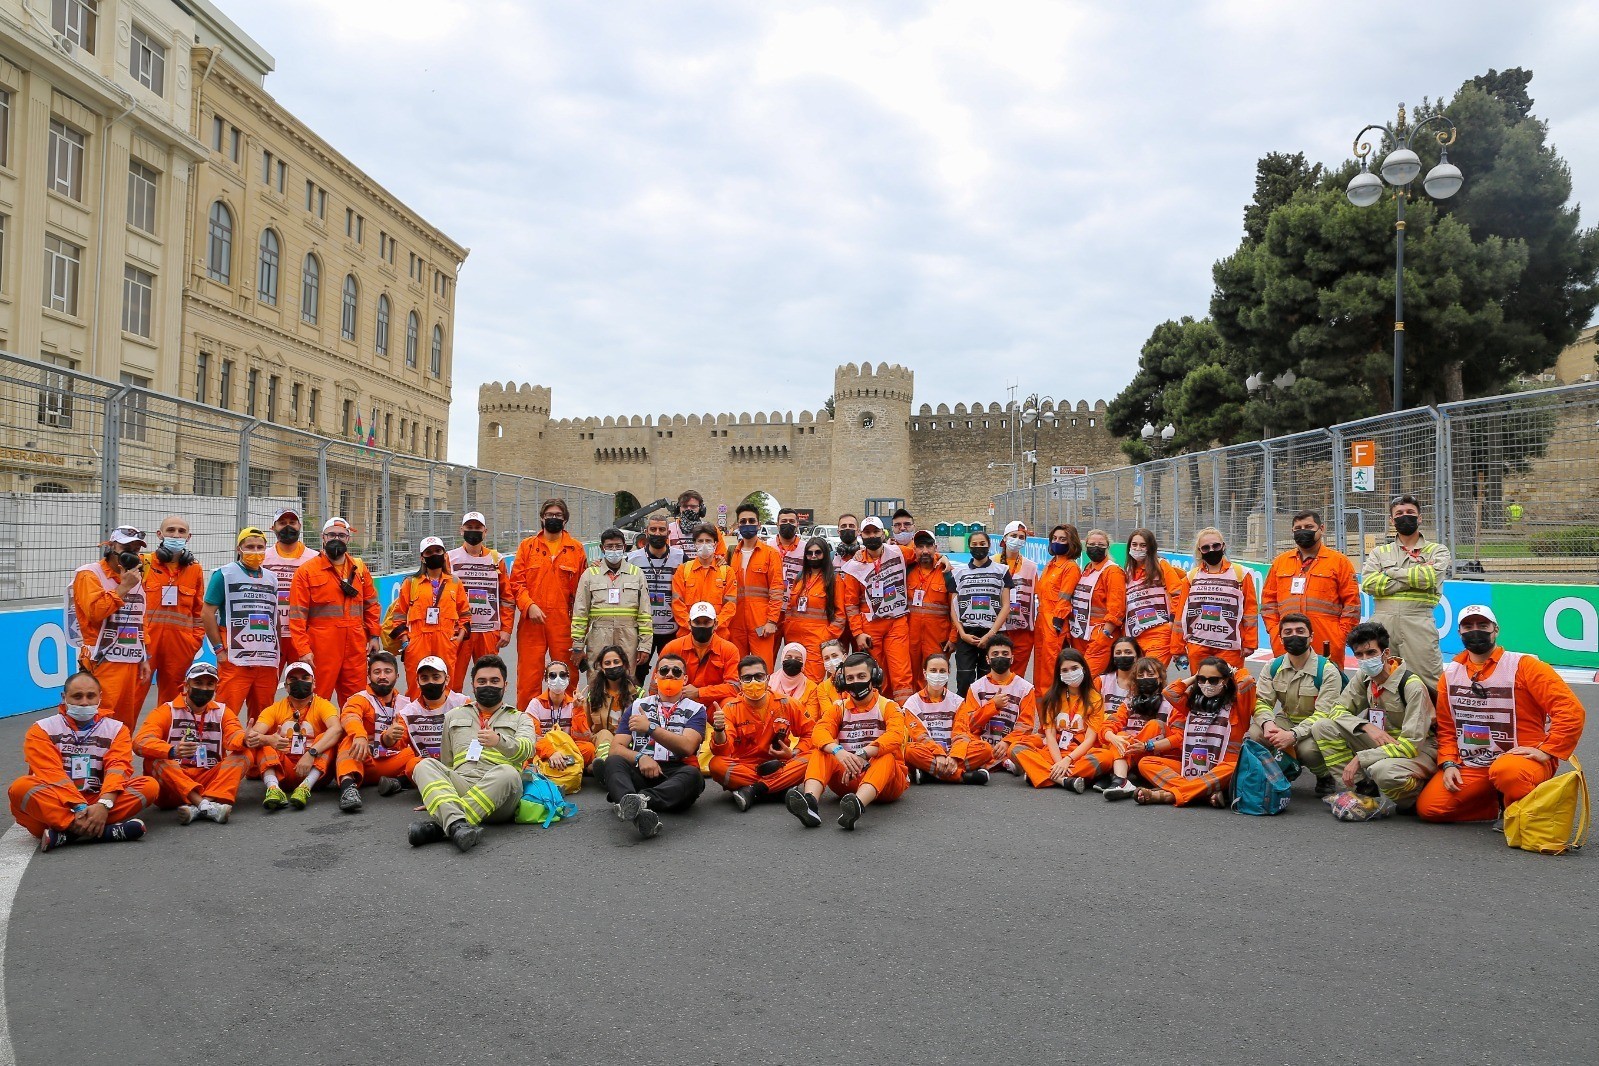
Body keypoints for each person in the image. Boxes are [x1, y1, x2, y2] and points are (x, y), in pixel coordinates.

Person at [1417, 605, 1586, 823]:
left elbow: (1570, 710)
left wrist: (1548, 750)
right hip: (1475, 762)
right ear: (1459, 633)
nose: (1475, 631)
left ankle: (1521, 809)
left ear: (1495, 629)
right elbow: (1448, 728)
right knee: (1430, 808)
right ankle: (1495, 802)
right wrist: (1449, 762)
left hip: (1523, 760)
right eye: (1468, 626)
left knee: (1507, 772)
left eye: (1483, 625)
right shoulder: (1450, 675)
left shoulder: (1525, 666)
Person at [8, 671, 155, 851]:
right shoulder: (42, 729)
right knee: (21, 788)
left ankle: (68, 834)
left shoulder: (116, 729)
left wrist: (104, 803)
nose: (84, 702)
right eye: (77, 696)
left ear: (100, 697)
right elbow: (51, 773)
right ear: (64, 697)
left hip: (97, 800)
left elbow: (118, 768)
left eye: (90, 696)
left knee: (149, 786)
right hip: (56, 803)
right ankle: (106, 832)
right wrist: (79, 807)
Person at [408, 655, 535, 852]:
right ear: (473, 685)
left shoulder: (520, 718)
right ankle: (457, 825)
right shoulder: (453, 716)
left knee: (508, 772)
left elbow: (527, 749)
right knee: (424, 765)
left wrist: (499, 742)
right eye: (482, 681)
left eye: (494, 681)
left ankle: (444, 823)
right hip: (463, 784)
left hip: (500, 797)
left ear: (505, 685)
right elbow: (447, 762)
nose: (488, 686)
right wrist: (440, 795)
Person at [1309, 621, 1437, 808]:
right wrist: (1365, 726)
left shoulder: (1411, 686)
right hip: (1383, 741)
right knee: (1322, 727)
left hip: (1418, 748)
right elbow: (1336, 710)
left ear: (1385, 654)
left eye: (1371, 653)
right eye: (1359, 654)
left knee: (1383, 772)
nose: (1365, 659)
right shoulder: (1364, 677)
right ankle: (1363, 787)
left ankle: (1413, 797)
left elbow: (1411, 745)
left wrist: (1361, 758)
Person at [786, 651, 909, 829]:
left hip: (887, 783)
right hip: (847, 778)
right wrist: (839, 752)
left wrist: (863, 754)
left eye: (861, 676)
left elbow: (895, 736)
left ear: (874, 677)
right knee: (823, 750)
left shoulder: (888, 706)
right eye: (850, 678)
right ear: (843, 681)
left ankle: (857, 805)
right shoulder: (839, 708)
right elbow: (819, 732)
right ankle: (810, 802)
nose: (855, 682)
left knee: (886, 755)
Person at [602, 653, 708, 838]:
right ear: (656, 676)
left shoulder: (696, 709)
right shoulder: (638, 705)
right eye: (664, 670)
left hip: (674, 772)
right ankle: (635, 806)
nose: (669, 675)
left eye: (676, 672)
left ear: (685, 679)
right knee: (613, 762)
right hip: (641, 766)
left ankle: (637, 800)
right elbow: (616, 747)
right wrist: (640, 757)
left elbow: (687, 747)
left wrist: (651, 727)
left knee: (693, 777)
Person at [133, 661, 247, 824]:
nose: (204, 688)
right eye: (198, 683)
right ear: (186, 686)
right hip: (173, 786)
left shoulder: (222, 712)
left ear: (216, 687)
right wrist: (172, 750)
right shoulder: (166, 711)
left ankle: (201, 806)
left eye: (210, 684)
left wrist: (245, 738)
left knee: (244, 752)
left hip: (208, 781)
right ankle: (205, 804)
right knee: (155, 758)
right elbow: (140, 742)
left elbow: (234, 734)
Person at [1134, 659, 1256, 807]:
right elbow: (1170, 692)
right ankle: (1200, 793)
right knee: (1146, 763)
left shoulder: (1238, 707)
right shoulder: (1193, 705)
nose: (1207, 684)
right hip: (1192, 766)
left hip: (1222, 769)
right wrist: (1194, 678)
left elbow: (1247, 682)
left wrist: (1234, 671)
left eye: (1213, 680)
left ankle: (1169, 795)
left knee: (1233, 767)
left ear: (1225, 681)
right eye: (1202, 679)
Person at [287, 517, 380, 705]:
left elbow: (371, 604)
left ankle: (353, 734)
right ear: (323, 537)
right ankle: (318, 735)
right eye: (331, 535)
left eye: (341, 535)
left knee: (357, 700)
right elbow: (297, 616)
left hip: (355, 644)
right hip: (321, 646)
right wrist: (304, 650)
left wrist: (374, 636)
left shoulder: (359, 569)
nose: (336, 538)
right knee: (317, 699)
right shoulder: (306, 572)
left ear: (348, 539)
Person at [1361, 495, 1450, 688]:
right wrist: (1413, 578)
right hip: (1382, 624)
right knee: (1380, 678)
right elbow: (1369, 583)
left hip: (1418, 621)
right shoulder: (1379, 552)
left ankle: (1434, 718)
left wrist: (1390, 572)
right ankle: (1385, 718)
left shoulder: (1437, 550)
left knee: (1428, 679)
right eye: (1399, 514)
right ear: (1391, 520)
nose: (1405, 516)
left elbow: (1429, 578)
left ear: (1420, 518)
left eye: (1410, 512)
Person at [1251, 612, 1345, 795]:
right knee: (1256, 733)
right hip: (1286, 719)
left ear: (1311, 636)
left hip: (1317, 726)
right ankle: (1275, 770)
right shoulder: (1273, 666)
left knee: (1307, 749)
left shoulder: (1327, 670)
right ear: (1281, 638)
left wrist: (1293, 735)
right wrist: (1268, 724)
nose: (1294, 635)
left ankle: (1324, 775)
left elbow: (1324, 714)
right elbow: (1262, 701)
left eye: (1300, 631)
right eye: (1288, 632)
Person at [69, 525, 150, 731]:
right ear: (112, 546)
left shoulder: (137, 577)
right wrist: (122, 587)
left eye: (135, 549)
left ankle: (120, 760)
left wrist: (144, 655)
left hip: (130, 658)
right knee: (101, 718)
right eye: (126, 547)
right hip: (102, 659)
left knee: (125, 722)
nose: (132, 554)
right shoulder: (89, 574)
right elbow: (95, 612)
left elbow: (139, 617)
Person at [510, 497, 589, 709]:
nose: (553, 519)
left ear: (565, 520)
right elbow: (516, 583)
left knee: (567, 676)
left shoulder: (576, 549)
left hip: (564, 622)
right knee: (528, 677)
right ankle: (527, 724)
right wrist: (529, 606)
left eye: (558, 516)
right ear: (542, 518)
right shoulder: (527, 547)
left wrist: (581, 630)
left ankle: (570, 719)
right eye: (549, 515)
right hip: (531, 621)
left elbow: (583, 591)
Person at [709, 655, 811, 810]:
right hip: (746, 767)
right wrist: (719, 729)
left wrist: (793, 753)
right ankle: (779, 789)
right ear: (740, 681)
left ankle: (754, 790)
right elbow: (722, 751)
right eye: (747, 678)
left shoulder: (787, 703)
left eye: (759, 676)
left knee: (813, 757)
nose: (754, 682)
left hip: (781, 764)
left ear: (768, 678)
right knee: (716, 765)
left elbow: (811, 733)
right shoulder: (730, 708)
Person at [1262, 509, 1360, 667]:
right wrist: (1275, 631)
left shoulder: (1339, 562)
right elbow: (1268, 602)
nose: (1303, 531)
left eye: (1308, 526)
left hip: (1327, 640)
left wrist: (1340, 635)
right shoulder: (1280, 562)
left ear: (1321, 529)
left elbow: (1352, 603)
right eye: (1298, 528)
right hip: (1287, 640)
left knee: (1327, 686)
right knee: (1286, 687)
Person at [204, 527, 281, 726]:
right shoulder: (224, 574)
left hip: (265, 659)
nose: (255, 552)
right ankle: (218, 754)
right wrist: (218, 649)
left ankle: (261, 756)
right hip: (235, 658)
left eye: (260, 547)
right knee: (225, 714)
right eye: (250, 547)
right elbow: (207, 612)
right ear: (239, 548)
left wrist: (277, 652)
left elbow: (274, 617)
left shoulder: (272, 578)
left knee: (264, 717)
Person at [839, 516, 918, 702]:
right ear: (861, 535)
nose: (872, 536)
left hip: (896, 621)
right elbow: (851, 604)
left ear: (883, 533)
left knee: (901, 671)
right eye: (868, 532)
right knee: (876, 671)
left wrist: (942, 558)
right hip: (870, 624)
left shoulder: (898, 552)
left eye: (876, 532)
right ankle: (879, 712)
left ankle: (903, 715)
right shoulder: (854, 566)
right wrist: (858, 632)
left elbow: (923, 555)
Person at [245, 660, 341, 811]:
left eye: (305, 678)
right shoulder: (274, 709)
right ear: (286, 685)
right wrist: (268, 739)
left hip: (316, 770)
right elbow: (253, 735)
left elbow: (336, 730)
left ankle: (305, 787)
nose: (300, 682)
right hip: (283, 771)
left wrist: (311, 753)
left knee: (328, 737)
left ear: (313, 683)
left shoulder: (323, 705)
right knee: (263, 743)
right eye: (293, 679)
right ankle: (273, 788)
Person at [1011, 647, 1107, 791]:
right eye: (1065, 670)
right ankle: (1063, 780)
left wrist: (1068, 760)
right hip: (1055, 750)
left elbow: (1089, 739)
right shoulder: (1052, 697)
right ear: (1059, 674)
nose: (1070, 673)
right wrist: (1060, 762)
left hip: (1079, 753)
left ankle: (1039, 773)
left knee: (1105, 757)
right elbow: (1049, 735)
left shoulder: (1095, 699)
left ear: (1084, 669)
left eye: (1074, 668)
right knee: (1015, 749)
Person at [333, 651, 417, 813]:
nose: (382, 676)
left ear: (397, 675)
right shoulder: (360, 698)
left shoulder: (406, 704)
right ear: (369, 676)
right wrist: (359, 735)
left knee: (420, 752)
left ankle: (397, 783)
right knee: (348, 741)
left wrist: (393, 738)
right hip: (363, 759)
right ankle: (348, 788)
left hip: (391, 762)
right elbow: (350, 716)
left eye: (387, 671)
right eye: (377, 672)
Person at [386, 538, 470, 696]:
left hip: (446, 641)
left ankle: (446, 719)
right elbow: (398, 615)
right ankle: (415, 719)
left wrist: (459, 638)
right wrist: (406, 643)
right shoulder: (411, 583)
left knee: (446, 686)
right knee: (416, 687)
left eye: (438, 551)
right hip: (417, 641)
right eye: (429, 552)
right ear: (422, 557)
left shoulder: (455, 582)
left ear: (444, 555)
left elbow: (465, 614)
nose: (434, 555)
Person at [663, 601, 741, 766]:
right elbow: (658, 684)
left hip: (713, 706)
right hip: (681, 704)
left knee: (730, 704)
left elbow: (734, 687)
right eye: (697, 622)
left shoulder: (729, 649)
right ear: (689, 623)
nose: (702, 626)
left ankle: (724, 748)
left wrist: (699, 692)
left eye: (707, 622)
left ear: (716, 624)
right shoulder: (673, 647)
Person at [141, 514, 206, 706]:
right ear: (159, 534)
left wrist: (194, 641)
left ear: (189, 536)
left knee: (172, 702)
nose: (176, 535)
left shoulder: (195, 569)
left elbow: (198, 610)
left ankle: (166, 736)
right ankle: (125, 736)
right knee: (134, 693)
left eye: (181, 531)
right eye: (171, 530)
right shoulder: (144, 563)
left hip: (180, 645)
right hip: (146, 642)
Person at [448, 511, 515, 693]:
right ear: (461, 530)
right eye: (469, 527)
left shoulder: (496, 559)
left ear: (485, 531)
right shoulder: (449, 558)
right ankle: (455, 719)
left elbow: (507, 598)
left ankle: (489, 718)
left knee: (490, 680)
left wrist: (506, 630)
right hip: (460, 630)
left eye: (478, 528)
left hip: (488, 631)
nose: (473, 531)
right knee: (452, 682)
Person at [571, 527, 652, 675]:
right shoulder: (590, 575)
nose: (614, 550)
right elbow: (580, 612)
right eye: (609, 546)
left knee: (626, 681)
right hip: (599, 636)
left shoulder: (636, 574)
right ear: (602, 548)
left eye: (618, 546)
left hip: (628, 637)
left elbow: (645, 613)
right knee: (597, 680)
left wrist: (645, 646)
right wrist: (577, 645)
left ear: (624, 547)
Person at [1179, 527, 1258, 673]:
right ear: (1199, 551)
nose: (1211, 550)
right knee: (1200, 687)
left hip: (1230, 647)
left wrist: (1250, 642)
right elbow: (1181, 615)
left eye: (1216, 546)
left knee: (1229, 688)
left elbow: (1250, 611)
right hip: (1197, 645)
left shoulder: (1241, 574)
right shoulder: (1191, 577)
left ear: (1223, 546)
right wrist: (1177, 647)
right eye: (1205, 547)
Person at [1097, 656, 1176, 800]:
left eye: (1150, 675)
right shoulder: (1129, 702)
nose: (1145, 678)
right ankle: (1121, 780)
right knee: (1119, 735)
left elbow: (1178, 739)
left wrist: (1146, 745)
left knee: (1155, 724)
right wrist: (1112, 737)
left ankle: (1116, 776)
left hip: (1155, 753)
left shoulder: (1171, 704)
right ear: (1135, 680)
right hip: (1129, 753)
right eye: (1141, 675)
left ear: (1160, 678)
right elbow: (1108, 725)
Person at [903, 653, 989, 784]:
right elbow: (919, 736)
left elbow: (961, 733)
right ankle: (961, 777)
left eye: (942, 671)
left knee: (985, 749)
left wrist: (954, 756)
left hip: (953, 751)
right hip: (929, 752)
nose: (937, 674)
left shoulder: (957, 701)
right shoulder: (912, 703)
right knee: (910, 751)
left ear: (948, 673)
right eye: (933, 670)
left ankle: (931, 775)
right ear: (925, 673)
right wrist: (938, 754)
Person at [946, 530, 1013, 696]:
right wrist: (961, 634)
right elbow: (954, 607)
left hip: (992, 633)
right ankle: (966, 718)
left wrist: (991, 634)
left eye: (982, 544)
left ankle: (988, 716)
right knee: (964, 679)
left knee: (988, 680)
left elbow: (1006, 606)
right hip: (967, 634)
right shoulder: (958, 573)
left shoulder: (1002, 570)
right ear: (969, 546)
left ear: (989, 545)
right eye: (974, 544)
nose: (978, 547)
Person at [956, 635, 1035, 774]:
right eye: (995, 654)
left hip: (1011, 743)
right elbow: (970, 723)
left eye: (1005, 654)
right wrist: (993, 706)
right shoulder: (976, 688)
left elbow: (1026, 726)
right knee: (964, 739)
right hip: (982, 743)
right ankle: (1003, 762)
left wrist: (1007, 742)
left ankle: (993, 761)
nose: (1000, 657)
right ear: (987, 659)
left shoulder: (1026, 688)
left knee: (1033, 742)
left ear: (1011, 658)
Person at [628, 512, 685, 684]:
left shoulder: (681, 557)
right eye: (653, 529)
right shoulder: (632, 558)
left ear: (669, 533)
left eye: (662, 529)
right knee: (635, 675)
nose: (658, 533)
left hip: (671, 628)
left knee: (671, 674)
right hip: (643, 628)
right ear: (646, 532)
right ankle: (635, 708)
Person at [1120, 528, 1188, 668]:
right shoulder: (1127, 572)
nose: (1138, 548)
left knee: (1151, 676)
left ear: (1150, 547)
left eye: (1143, 545)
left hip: (1159, 632)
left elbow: (1178, 595)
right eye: (1134, 545)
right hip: (1135, 635)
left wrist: (1171, 621)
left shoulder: (1161, 565)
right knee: (1137, 680)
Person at [727, 503, 785, 668]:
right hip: (736, 621)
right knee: (736, 667)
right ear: (738, 525)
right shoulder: (732, 554)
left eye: (751, 521)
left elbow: (776, 590)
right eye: (743, 521)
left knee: (763, 667)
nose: (747, 524)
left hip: (761, 622)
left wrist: (772, 621)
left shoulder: (770, 554)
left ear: (759, 525)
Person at [525, 657, 596, 784]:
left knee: (589, 748)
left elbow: (584, 738)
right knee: (527, 752)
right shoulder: (535, 704)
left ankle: (552, 768)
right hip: (544, 749)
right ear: (546, 679)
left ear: (568, 679)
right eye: (552, 675)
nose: (558, 679)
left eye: (562, 675)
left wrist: (578, 710)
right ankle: (570, 766)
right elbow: (532, 737)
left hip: (567, 747)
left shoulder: (574, 704)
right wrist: (551, 752)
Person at [783, 537, 844, 681]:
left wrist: (827, 637)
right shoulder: (800, 578)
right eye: (809, 553)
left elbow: (840, 614)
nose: (813, 556)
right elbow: (791, 608)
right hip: (794, 639)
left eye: (818, 552)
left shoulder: (834, 580)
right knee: (793, 680)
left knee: (812, 681)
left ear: (825, 554)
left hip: (817, 639)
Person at [1068, 528, 1126, 676]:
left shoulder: (1112, 572)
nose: (1096, 548)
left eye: (1101, 545)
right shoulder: (1087, 569)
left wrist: (1105, 633)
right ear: (1086, 546)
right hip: (1080, 635)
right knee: (1078, 681)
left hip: (1100, 637)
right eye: (1092, 544)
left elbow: (1117, 608)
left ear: (1107, 547)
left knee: (1088, 680)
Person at [1032, 524, 1082, 690]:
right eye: (1054, 538)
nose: (1057, 541)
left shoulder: (1070, 567)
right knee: (1039, 667)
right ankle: (1040, 709)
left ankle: (1050, 710)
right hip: (1041, 619)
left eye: (1062, 539)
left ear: (1071, 542)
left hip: (1055, 622)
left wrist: (1057, 622)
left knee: (1049, 668)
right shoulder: (1051, 564)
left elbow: (1065, 598)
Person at [263, 507, 318, 654]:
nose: (288, 527)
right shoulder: (262, 557)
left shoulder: (315, 558)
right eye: (282, 523)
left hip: (303, 634)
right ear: (273, 527)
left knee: (302, 676)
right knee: (270, 677)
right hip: (270, 633)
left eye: (292, 522)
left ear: (300, 526)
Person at [399, 656, 470, 764]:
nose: (430, 682)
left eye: (436, 677)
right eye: (424, 678)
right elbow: (396, 743)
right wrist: (388, 737)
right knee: (412, 765)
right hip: (428, 767)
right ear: (417, 682)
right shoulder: (408, 713)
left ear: (446, 680)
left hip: (460, 764)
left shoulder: (462, 703)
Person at [672, 523, 737, 639]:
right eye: (700, 541)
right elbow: (677, 603)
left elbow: (730, 606)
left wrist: (715, 625)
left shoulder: (726, 572)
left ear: (715, 543)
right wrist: (691, 625)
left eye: (708, 541)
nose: (704, 545)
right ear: (695, 544)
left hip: (718, 635)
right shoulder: (683, 570)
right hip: (688, 634)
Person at [906, 530, 954, 679]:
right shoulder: (907, 570)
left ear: (936, 548)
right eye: (920, 546)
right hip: (911, 639)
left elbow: (956, 609)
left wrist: (953, 638)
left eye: (929, 546)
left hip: (938, 639)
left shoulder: (947, 572)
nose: (925, 551)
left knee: (936, 679)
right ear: (914, 549)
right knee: (912, 678)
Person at [996, 521, 1040, 675]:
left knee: (1017, 675)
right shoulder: (992, 562)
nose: (1018, 539)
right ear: (1005, 538)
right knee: (997, 673)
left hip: (1022, 631)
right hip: (997, 629)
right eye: (1014, 536)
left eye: (1022, 537)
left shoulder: (1031, 567)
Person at [585, 645, 638, 766]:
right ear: (602, 668)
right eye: (607, 663)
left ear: (624, 665)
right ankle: (604, 765)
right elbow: (587, 728)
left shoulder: (638, 694)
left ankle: (598, 767)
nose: (612, 666)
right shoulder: (592, 695)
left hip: (627, 742)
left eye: (616, 662)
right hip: (600, 742)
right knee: (604, 734)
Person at [1095, 636, 1143, 724]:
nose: (1123, 655)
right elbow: (1091, 712)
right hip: (1105, 731)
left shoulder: (1145, 682)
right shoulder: (1101, 681)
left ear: (1137, 656)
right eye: (1118, 653)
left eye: (1128, 652)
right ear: (1113, 657)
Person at [666, 490, 724, 557]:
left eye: (693, 507)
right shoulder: (668, 529)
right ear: (678, 508)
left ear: (701, 509)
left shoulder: (712, 529)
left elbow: (721, 556)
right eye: (685, 506)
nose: (689, 509)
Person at [769, 507, 807, 601]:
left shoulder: (807, 549)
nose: (788, 524)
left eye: (791, 521)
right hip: (772, 603)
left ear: (797, 524)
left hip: (795, 603)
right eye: (784, 521)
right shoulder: (768, 546)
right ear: (777, 524)